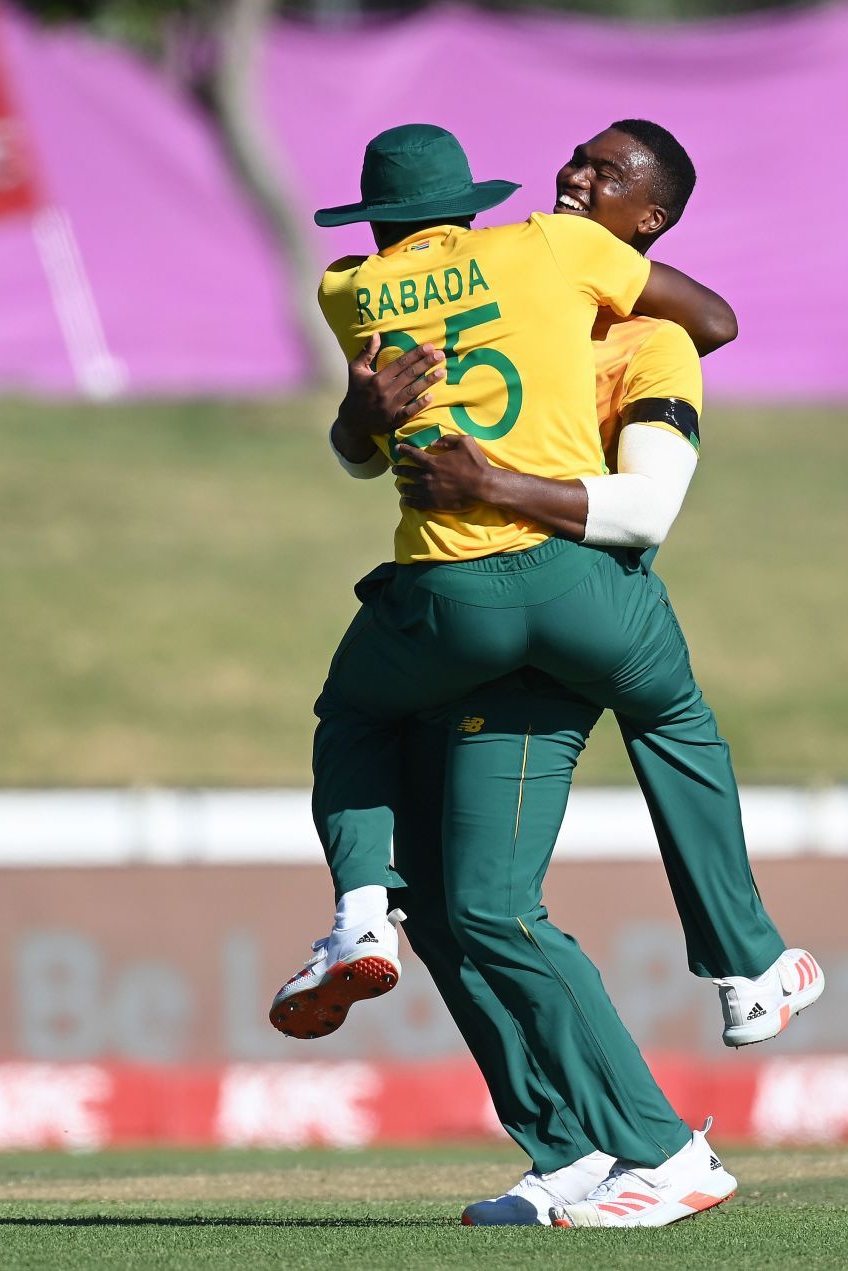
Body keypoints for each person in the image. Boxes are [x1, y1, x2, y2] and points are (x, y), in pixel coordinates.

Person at [277, 122, 741, 1226]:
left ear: (647, 225)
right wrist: (369, 415)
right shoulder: (526, 270)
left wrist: (499, 478)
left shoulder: (630, 326)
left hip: (556, 613)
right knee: (456, 908)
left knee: (487, 900)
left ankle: (665, 1144)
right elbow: (360, 443)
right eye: (574, 163)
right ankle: (571, 1146)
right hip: (485, 610)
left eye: (608, 174)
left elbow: (661, 467)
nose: (577, 178)